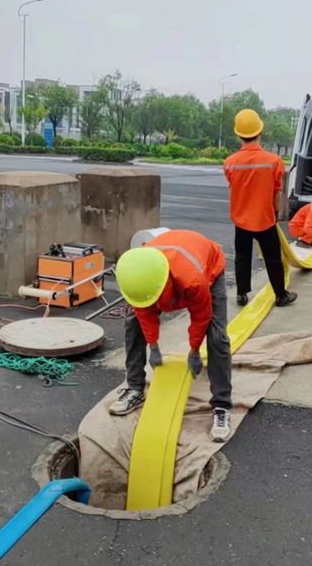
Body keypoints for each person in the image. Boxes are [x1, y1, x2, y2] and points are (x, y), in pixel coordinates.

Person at [111, 229, 233, 442]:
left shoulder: (192, 280)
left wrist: (194, 351)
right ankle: (135, 388)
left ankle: (222, 405)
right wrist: (153, 346)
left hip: (208, 265)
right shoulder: (139, 271)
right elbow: (144, 312)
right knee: (133, 321)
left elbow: (200, 317)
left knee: (216, 335)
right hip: (170, 263)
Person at [223, 109, 298, 308]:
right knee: (273, 258)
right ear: (260, 132)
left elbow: (235, 188)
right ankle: (280, 295)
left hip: (241, 220)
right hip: (265, 219)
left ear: (239, 134)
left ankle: (241, 294)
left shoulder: (229, 163)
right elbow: (276, 194)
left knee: (242, 257)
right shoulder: (274, 162)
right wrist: (274, 214)